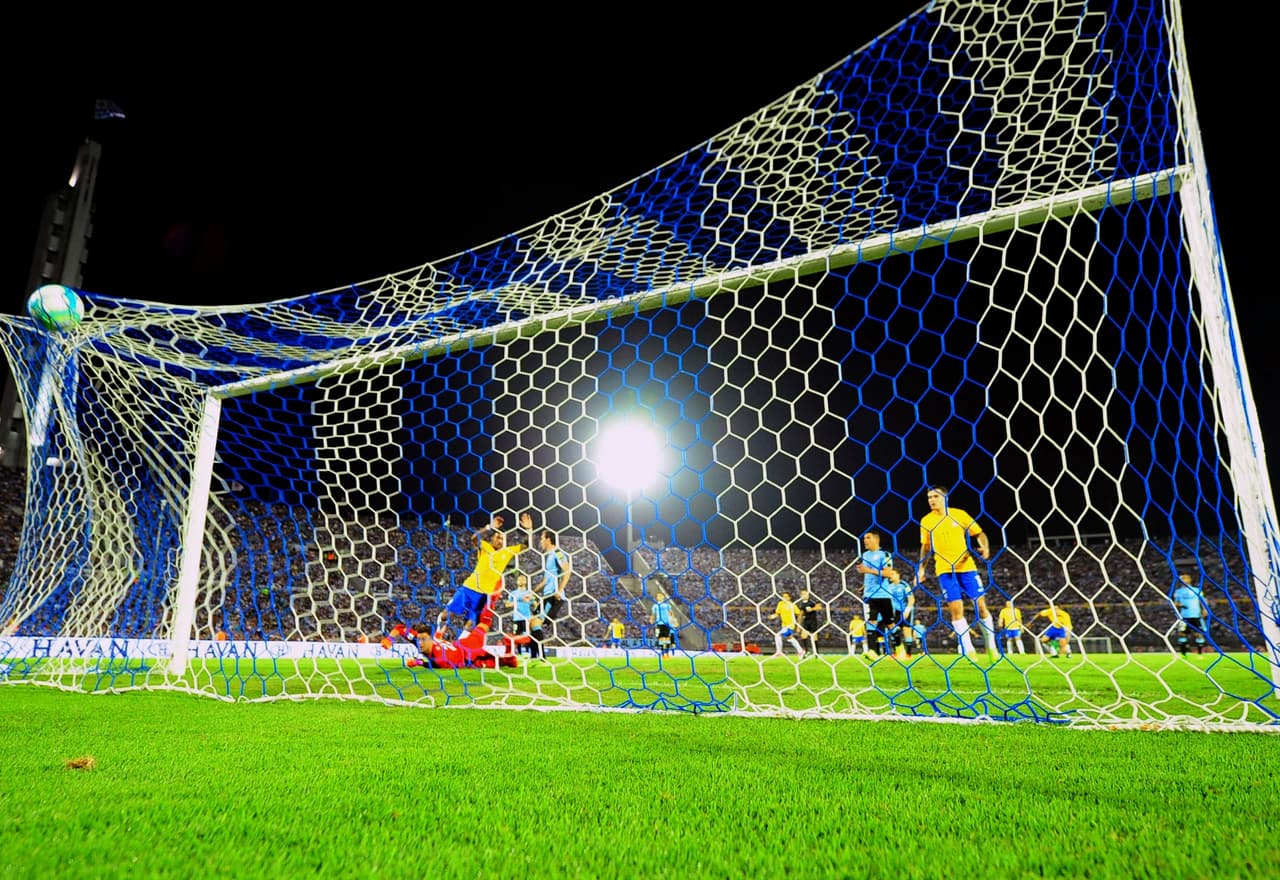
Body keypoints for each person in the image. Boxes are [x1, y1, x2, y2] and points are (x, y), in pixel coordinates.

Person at [916, 485, 996, 658]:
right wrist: (921, 568)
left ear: (945, 498)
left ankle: (992, 647)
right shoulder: (926, 521)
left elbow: (979, 533)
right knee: (956, 608)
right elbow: (926, 547)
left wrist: (985, 547)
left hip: (966, 567)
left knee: (980, 606)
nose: (931, 500)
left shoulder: (959, 514)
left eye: (935, 496)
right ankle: (968, 650)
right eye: (929, 497)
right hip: (944, 570)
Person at [435, 512, 533, 640]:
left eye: (502, 538)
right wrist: (489, 527)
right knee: (446, 614)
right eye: (497, 537)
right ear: (492, 538)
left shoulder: (507, 551)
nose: (499, 540)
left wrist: (529, 530)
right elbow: (474, 538)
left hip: (483, 595)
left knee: (470, 624)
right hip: (468, 588)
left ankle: (460, 646)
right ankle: (438, 636)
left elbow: (527, 545)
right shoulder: (485, 547)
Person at [857, 530, 897, 658]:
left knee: (889, 623)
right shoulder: (865, 555)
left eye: (868, 538)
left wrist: (867, 570)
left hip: (883, 594)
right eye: (864, 538)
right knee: (871, 621)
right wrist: (864, 586)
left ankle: (899, 646)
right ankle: (872, 651)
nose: (865, 540)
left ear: (876, 539)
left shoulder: (885, 554)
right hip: (869, 595)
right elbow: (869, 574)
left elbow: (888, 573)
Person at [537, 529, 571, 639]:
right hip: (547, 594)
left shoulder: (557, 553)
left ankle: (538, 654)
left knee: (535, 623)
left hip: (553, 595)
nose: (540, 541)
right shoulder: (549, 555)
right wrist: (532, 592)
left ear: (548, 539)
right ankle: (536, 654)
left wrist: (559, 590)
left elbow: (567, 570)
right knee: (534, 623)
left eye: (542, 538)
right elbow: (546, 580)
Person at [1172, 572, 1208, 655]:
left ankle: (1200, 654)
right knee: (1182, 633)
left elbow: (1203, 600)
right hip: (1184, 616)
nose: (1183, 580)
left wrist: (1205, 609)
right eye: (1182, 579)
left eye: (1185, 578)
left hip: (1196, 615)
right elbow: (1175, 602)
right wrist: (1179, 604)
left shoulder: (1196, 590)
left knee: (1198, 634)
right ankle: (1183, 654)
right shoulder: (1178, 592)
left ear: (1189, 580)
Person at [505, 573, 538, 657]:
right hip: (517, 617)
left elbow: (535, 604)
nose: (521, 580)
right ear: (516, 581)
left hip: (527, 618)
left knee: (527, 636)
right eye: (519, 579)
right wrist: (516, 601)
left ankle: (527, 653)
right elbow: (507, 604)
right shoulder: (513, 593)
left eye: (523, 579)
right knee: (517, 636)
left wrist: (533, 602)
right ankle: (519, 654)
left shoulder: (529, 593)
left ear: (526, 581)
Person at [768, 591, 806, 658]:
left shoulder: (792, 605)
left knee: (778, 635)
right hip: (784, 625)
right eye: (783, 596)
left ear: (789, 598)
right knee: (790, 638)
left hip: (791, 625)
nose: (784, 598)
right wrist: (772, 616)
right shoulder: (780, 604)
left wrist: (798, 625)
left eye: (786, 596)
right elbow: (778, 613)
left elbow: (799, 613)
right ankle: (801, 651)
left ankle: (779, 652)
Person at [887, 567, 915, 660]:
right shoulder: (888, 586)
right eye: (890, 574)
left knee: (907, 631)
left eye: (893, 574)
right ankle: (895, 653)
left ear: (898, 575)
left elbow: (911, 599)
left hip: (905, 610)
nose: (891, 576)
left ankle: (908, 654)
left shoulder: (904, 585)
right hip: (894, 611)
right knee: (893, 630)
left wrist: (907, 610)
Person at [797, 588, 824, 655]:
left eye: (805, 594)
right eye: (802, 594)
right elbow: (800, 615)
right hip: (805, 621)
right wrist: (798, 625)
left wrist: (812, 609)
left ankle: (816, 652)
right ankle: (806, 651)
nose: (804, 595)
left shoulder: (812, 601)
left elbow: (820, 607)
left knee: (814, 636)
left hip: (813, 621)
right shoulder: (800, 604)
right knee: (803, 636)